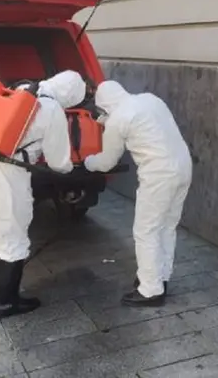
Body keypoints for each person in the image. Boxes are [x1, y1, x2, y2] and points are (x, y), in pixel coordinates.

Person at [0, 70, 86, 320]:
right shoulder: (52, 108)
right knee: (13, 235)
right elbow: (59, 162)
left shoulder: (21, 89)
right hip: (7, 174)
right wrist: (72, 169)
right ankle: (8, 303)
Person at [84, 81, 192, 307]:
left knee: (146, 231)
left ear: (104, 105)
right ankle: (160, 277)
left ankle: (150, 290)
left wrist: (87, 162)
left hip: (158, 175)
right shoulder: (150, 100)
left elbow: (105, 163)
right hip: (183, 168)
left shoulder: (117, 120)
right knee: (167, 227)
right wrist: (106, 120)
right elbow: (138, 123)